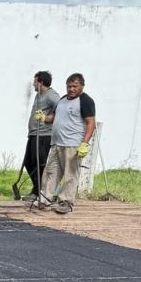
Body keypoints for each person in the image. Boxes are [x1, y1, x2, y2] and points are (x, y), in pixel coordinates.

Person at [39, 73, 96, 214]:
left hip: (73, 144)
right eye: (69, 86)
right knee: (51, 172)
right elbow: (53, 117)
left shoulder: (86, 101)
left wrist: (85, 143)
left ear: (81, 86)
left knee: (70, 174)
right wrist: (43, 117)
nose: (71, 89)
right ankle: (46, 199)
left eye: (74, 86)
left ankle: (65, 201)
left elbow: (90, 123)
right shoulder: (62, 100)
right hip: (57, 143)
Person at [22, 71, 58, 201]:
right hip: (34, 133)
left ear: (41, 82)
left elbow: (60, 110)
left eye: (35, 81)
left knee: (39, 163)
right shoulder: (39, 94)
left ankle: (39, 192)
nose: (33, 84)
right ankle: (38, 189)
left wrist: (46, 118)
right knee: (29, 163)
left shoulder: (52, 96)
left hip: (43, 134)